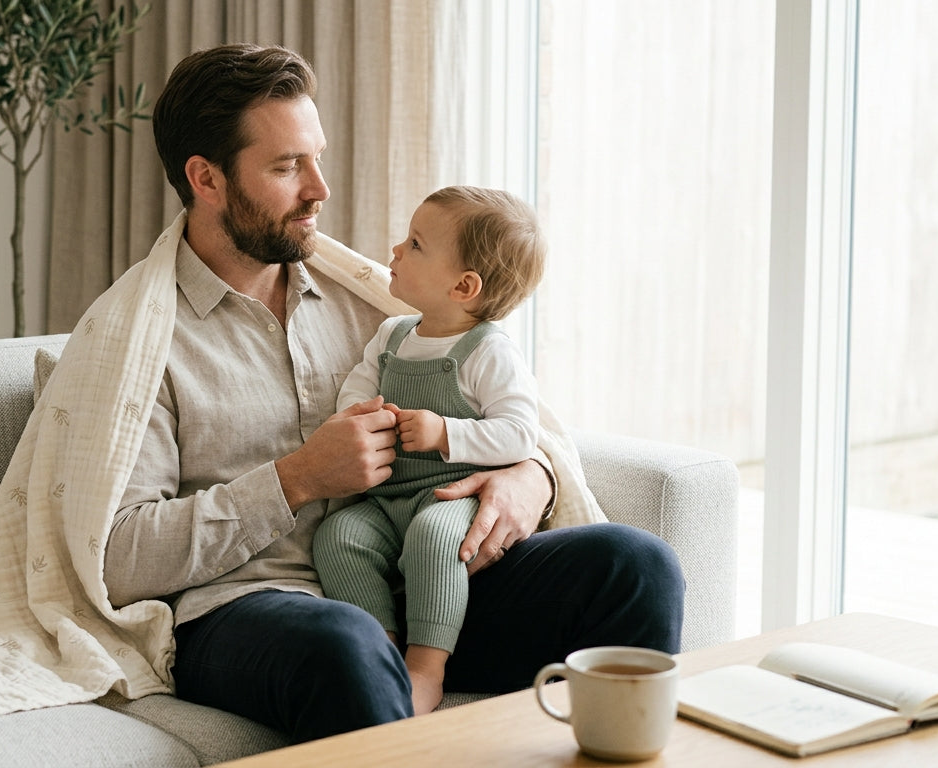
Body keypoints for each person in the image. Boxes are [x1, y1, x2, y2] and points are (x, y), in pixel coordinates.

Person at [102, 43, 684, 743]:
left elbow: (508, 413)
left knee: (636, 566)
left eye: (316, 158)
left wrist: (532, 478)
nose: (321, 189)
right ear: (207, 179)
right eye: (288, 167)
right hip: (253, 607)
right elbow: (120, 558)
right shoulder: (140, 342)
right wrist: (296, 479)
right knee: (346, 642)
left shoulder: (369, 300)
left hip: (424, 577)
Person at [313, 185, 547, 715]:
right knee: (337, 538)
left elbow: (519, 434)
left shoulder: (488, 351)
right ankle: (383, 649)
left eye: (415, 245)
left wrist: (447, 433)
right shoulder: (393, 335)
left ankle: (426, 665)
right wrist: (360, 413)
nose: (395, 250)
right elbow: (357, 385)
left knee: (435, 540)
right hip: (383, 500)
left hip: (447, 496)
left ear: (464, 286)